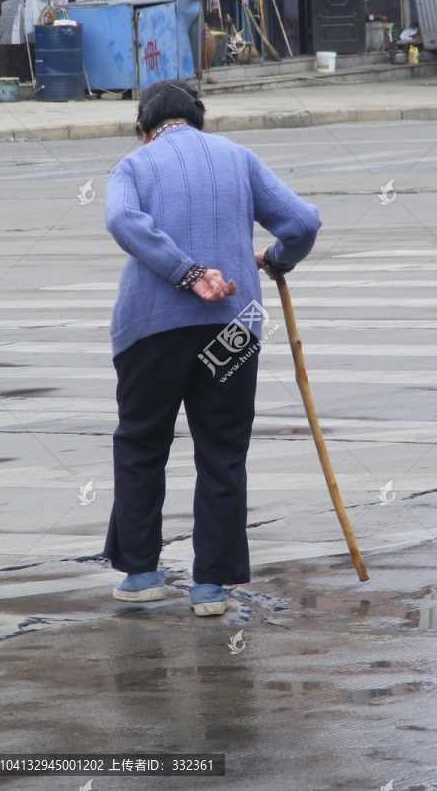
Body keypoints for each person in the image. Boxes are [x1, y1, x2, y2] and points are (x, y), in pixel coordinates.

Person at [103, 79, 321, 616]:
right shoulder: (238, 157)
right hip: (232, 326)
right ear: (200, 119)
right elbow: (303, 222)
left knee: (142, 446)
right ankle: (211, 588)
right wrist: (276, 260)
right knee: (223, 453)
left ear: (143, 128)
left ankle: (142, 573)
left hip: (151, 329)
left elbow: (121, 219)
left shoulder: (134, 165)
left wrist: (185, 273)